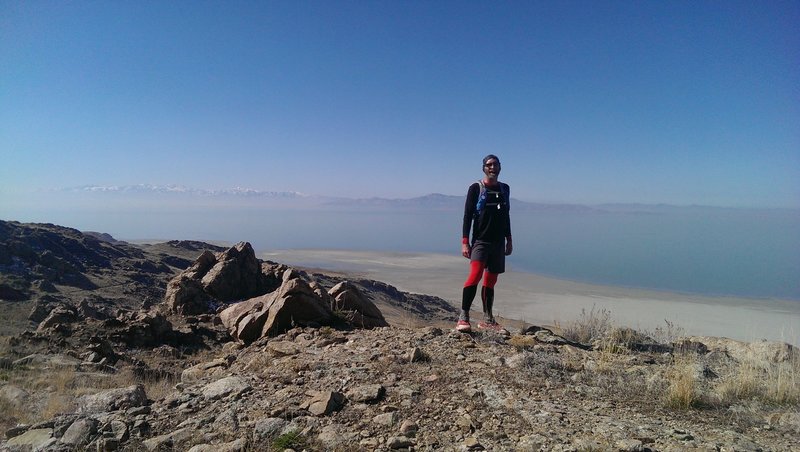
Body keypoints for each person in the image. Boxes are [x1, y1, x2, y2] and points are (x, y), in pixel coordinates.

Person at [457, 154, 512, 333]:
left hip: (497, 243)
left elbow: (506, 216)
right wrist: (465, 242)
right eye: (489, 165)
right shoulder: (476, 188)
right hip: (481, 241)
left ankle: (488, 319)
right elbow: (467, 215)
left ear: (500, 167)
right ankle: (463, 317)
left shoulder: (505, 189)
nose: (492, 167)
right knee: (474, 276)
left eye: (495, 164)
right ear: (484, 168)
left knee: (491, 280)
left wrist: (509, 239)